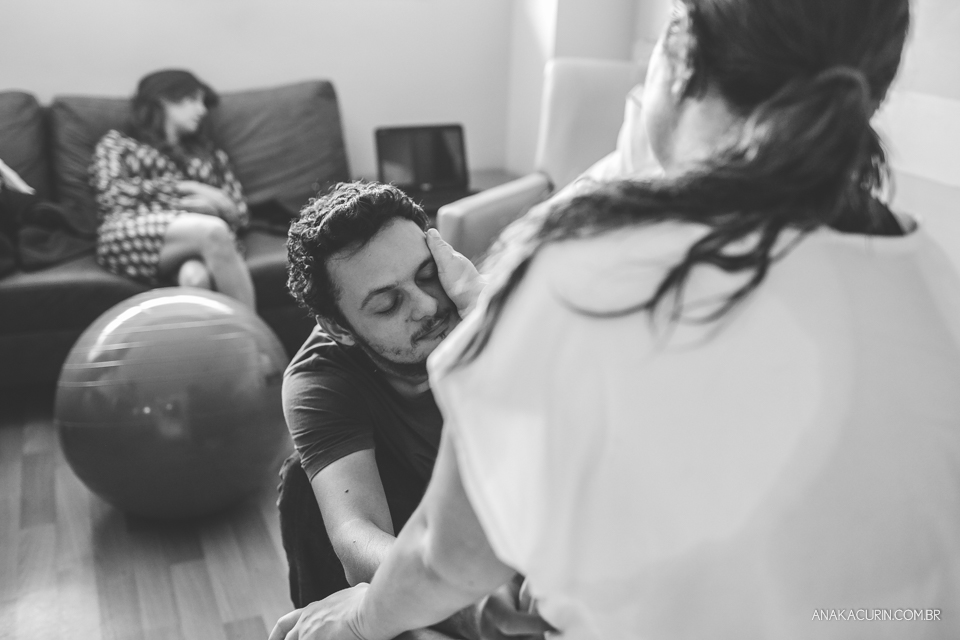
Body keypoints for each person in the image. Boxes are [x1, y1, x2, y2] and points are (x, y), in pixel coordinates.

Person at [271, 1, 960, 639]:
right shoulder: (930, 271)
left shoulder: (586, 274)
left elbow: (446, 560)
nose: (422, 303)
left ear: (679, 52)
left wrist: (357, 617)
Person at [279, 181, 535, 640]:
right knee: (302, 483)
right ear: (340, 327)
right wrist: (457, 599)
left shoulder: (492, 304)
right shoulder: (320, 378)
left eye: (425, 274)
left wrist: (487, 318)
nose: (427, 305)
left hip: (511, 501)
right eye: (387, 303)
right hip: (417, 524)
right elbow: (357, 535)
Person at [89, 69, 255, 308]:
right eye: (192, 100)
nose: (202, 110)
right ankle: (253, 342)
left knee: (195, 279)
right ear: (162, 100)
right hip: (132, 232)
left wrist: (216, 206)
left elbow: (238, 211)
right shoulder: (118, 144)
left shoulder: (211, 155)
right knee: (213, 232)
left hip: (195, 242)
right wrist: (188, 189)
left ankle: (207, 346)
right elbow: (112, 194)